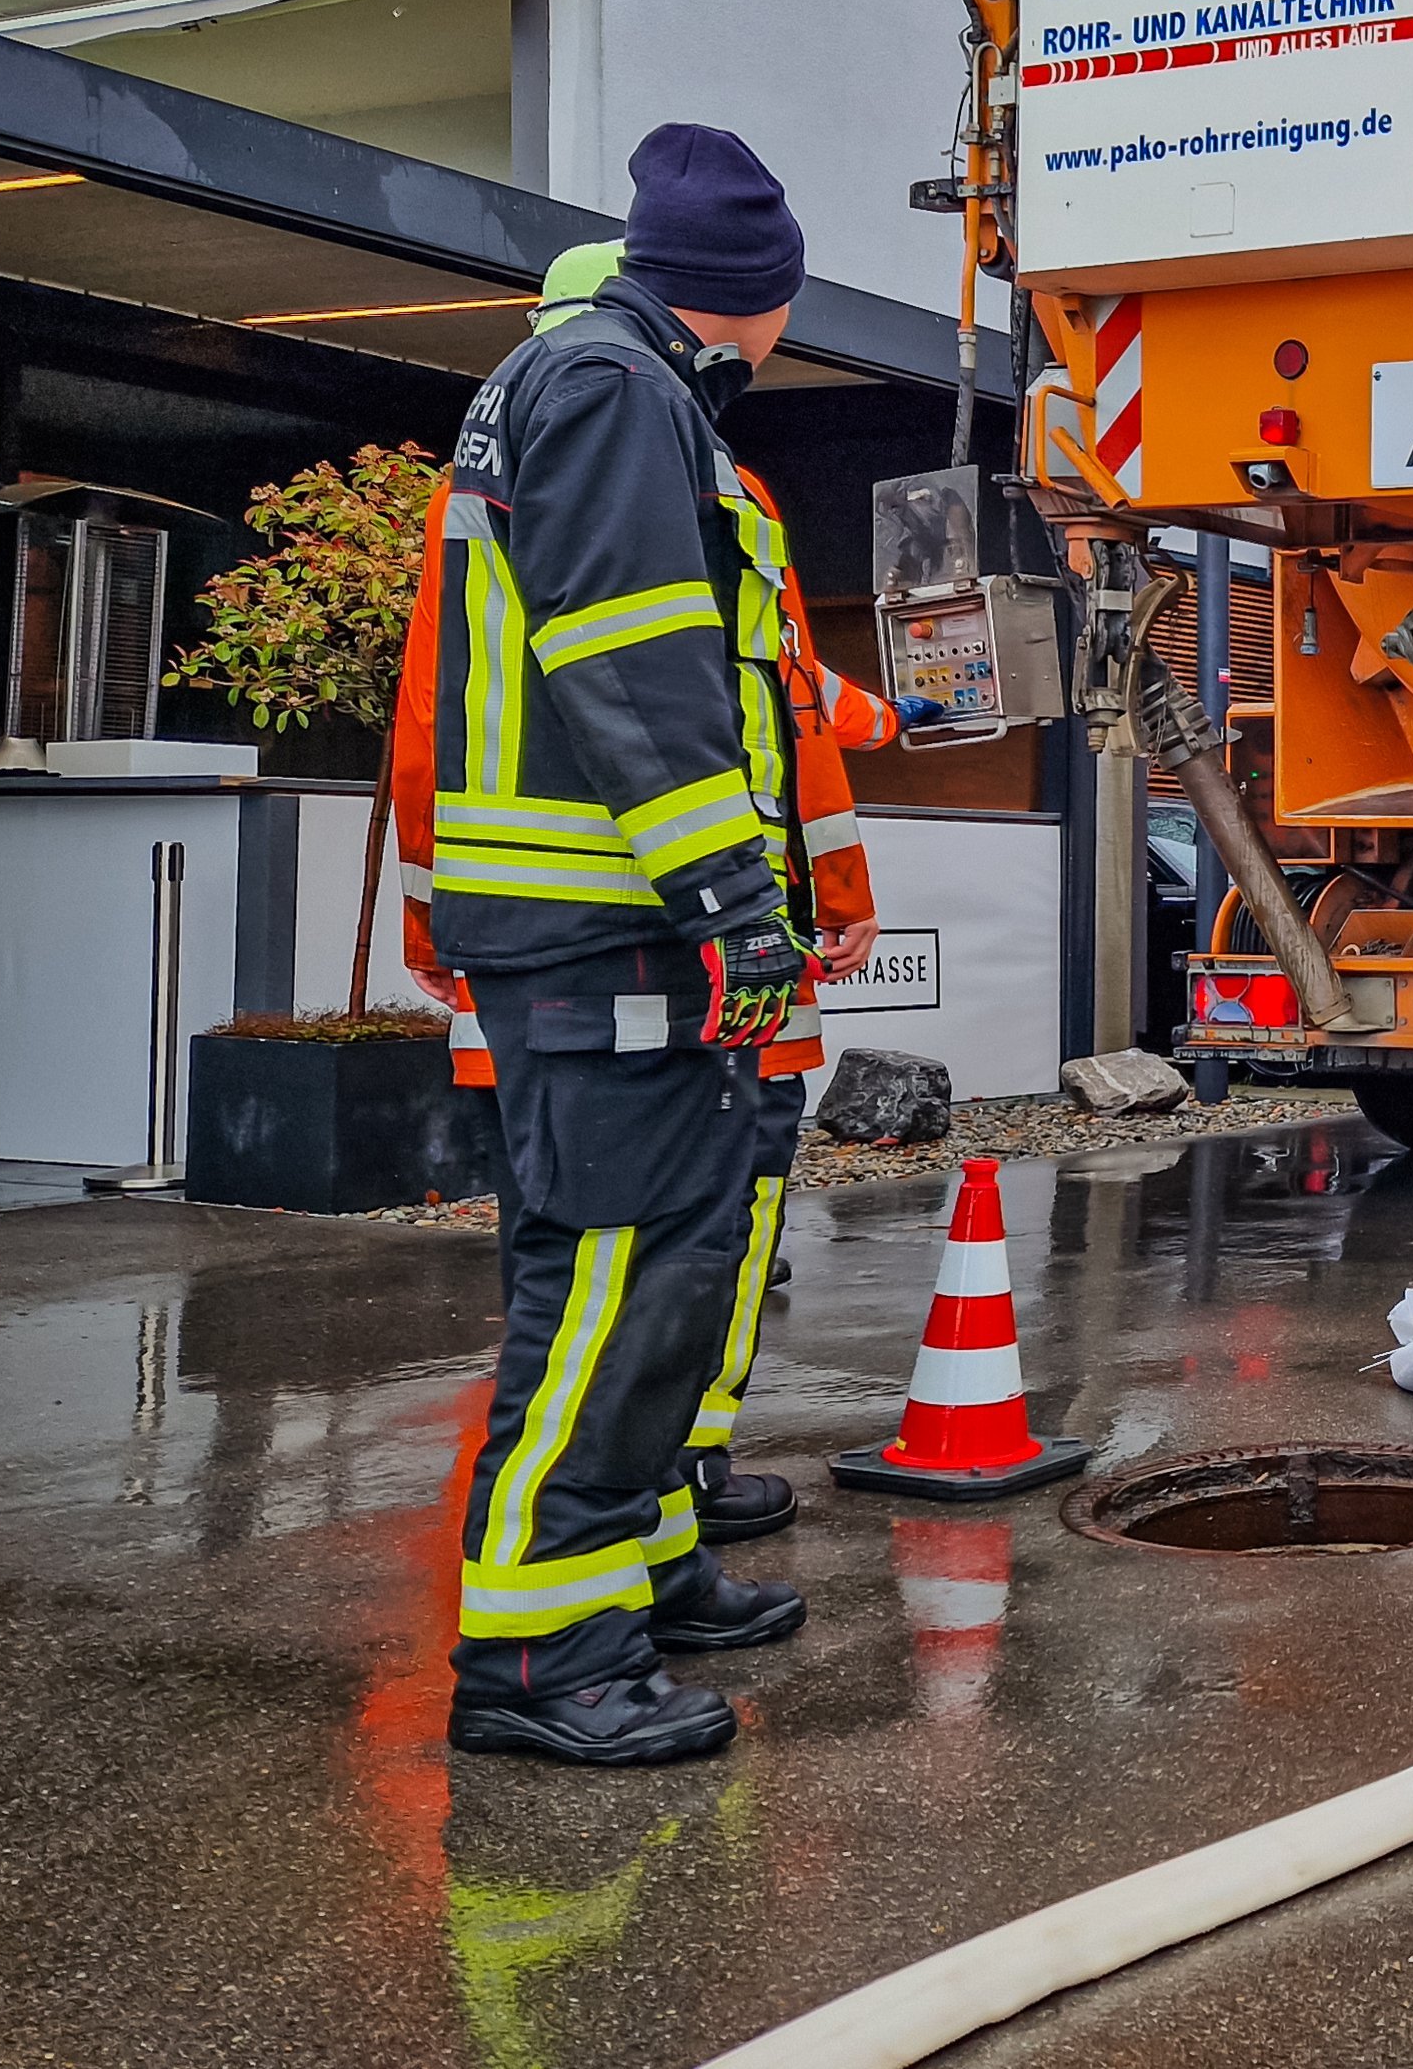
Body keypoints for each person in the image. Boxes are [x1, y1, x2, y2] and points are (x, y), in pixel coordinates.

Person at [394, 241, 930, 1563]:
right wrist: (806, 899)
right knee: (669, 1244)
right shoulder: (672, 458)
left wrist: (431, 915)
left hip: (557, 932)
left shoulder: (501, 467)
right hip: (661, 938)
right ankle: (605, 1564)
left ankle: (650, 1528)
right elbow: (761, 712)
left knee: (601, 1258)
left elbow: (433, 724)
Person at [427, 124, 826, 1768]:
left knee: (654, 1260)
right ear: (761, 298)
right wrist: (730, 900)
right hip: (607, 927)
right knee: (609, 1280)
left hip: (594, 918)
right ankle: (540, 1657)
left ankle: (642, 1563)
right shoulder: (616, 390)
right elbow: (639, 676)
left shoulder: (594, 380)